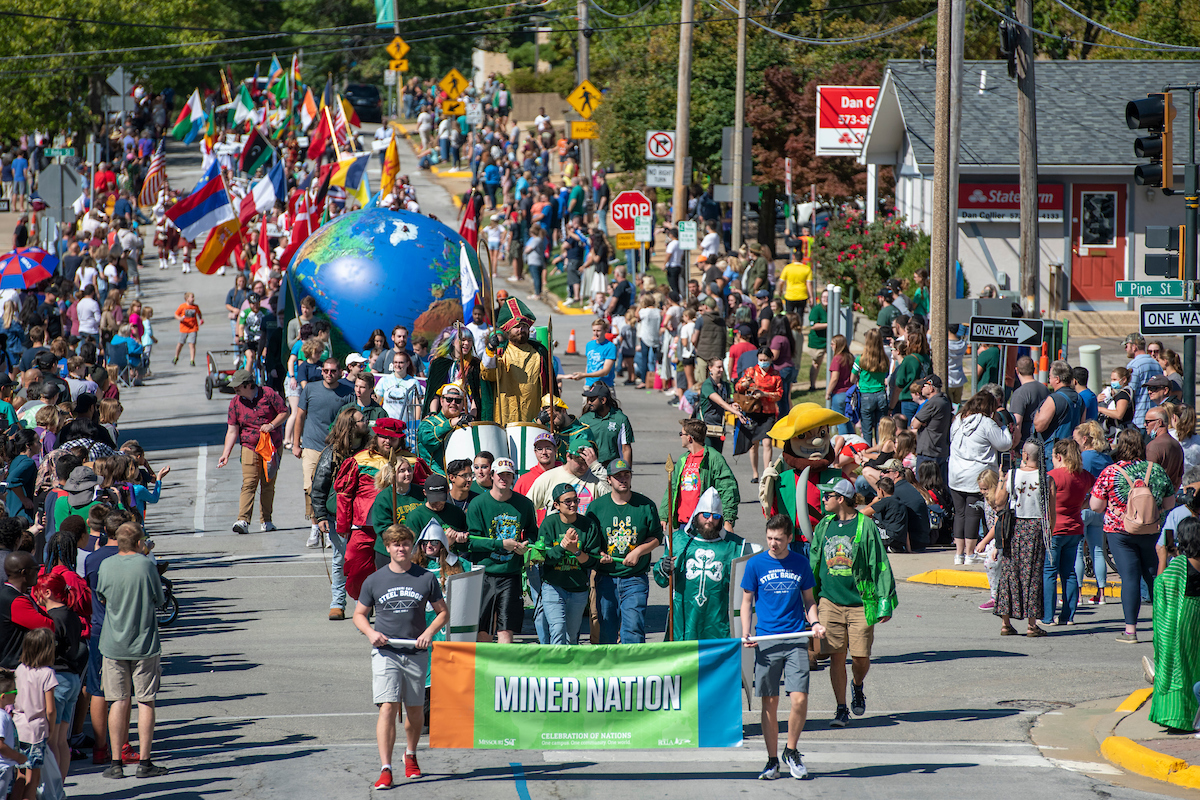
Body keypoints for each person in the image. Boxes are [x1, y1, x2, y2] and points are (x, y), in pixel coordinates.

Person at [353, 524, 448, 791]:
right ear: (388, 548)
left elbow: (443, 612)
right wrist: (371, 633)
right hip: (386, 652)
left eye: (405, 544)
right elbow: (359, 615)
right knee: (388, 707)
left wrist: (429, 632)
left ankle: (411, 753)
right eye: (396, 545)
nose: (401, 549)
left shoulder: (425, 578)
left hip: (415, 652)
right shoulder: (374, 580)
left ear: (412, 546)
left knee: (415, 710)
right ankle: (386, 768)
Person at [740, 514, 824, 781]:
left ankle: (791, 750)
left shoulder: (800, 563)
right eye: (769, 539)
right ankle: (772, 759)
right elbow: (746, 601)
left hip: (797, 638)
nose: (773, 544)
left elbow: (809, 600)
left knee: (799, 699)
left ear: (789, 538)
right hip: (766, 640)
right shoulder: (755, 564)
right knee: (770, 702)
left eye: (778, 539)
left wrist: (816, 623)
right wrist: (746, 631)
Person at [810, 479, 897, 728]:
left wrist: (884, 601)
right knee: (836, 656)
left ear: (841, 499)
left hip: (860, 602)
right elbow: (813, 561)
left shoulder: (865, 525)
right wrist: (809, 598)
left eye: (828, 495)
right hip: (829, 601)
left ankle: (857, 685)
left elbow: (879, 563)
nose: (823, 499)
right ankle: (840, 708)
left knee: (860, 657)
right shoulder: (823, 526)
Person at [96, 523, 168, 778]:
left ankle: (115, 762)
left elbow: (102, 596)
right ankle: (145, 761)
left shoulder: (106, 565)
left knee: (118, 700)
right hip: (144, 641)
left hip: (113, 641)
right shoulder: (146, 565)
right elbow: (159, 599)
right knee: (146, 700)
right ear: (139, 543)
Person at [1090, 428, 1175, 643]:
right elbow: (1169, 504)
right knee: (1155, 577)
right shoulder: (1155, 470)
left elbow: (1096, 506)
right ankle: (1162, 630)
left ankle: (1131, 631)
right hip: (1152, 532)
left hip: (1120, 532)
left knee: (1129, 579)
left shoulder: (1111, 472)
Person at [653, 487, 751, 640]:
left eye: (715, 516)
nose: (710, 520)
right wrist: (663, 568)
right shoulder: (678, 541)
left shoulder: (734, 546)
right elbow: (662, 579)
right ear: (697, 515)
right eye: (706, 515)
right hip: (684, 618)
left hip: (717, 620)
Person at [587, 459, 662, 644]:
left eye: (626, 475)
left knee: (633, 630)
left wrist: (638, 552)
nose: (623, 479)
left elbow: (656, 538)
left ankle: (633, 670)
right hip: (605, 578)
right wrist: (599, 554)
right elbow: (590, 543)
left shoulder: (645, 505)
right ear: (609, 480)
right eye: (618, 476)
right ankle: (609, 671)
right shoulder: (597, 508)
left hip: (635, 578)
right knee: (606, 630)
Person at [464, 458, 537, 643]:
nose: (504, 478)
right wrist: (500, 544)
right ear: (492, 476)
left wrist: (526, 545)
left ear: (513, 477)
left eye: (508, 475)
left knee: (506, 629)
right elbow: (472, 542)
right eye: (500, 474)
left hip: (511, 574)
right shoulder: (478, 504)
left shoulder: (525, 504)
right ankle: (483, 669)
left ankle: (504, 669)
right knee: (484, 631)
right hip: (484, 573)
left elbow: (532, 533)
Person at [311, 407, 369, 620]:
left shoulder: (370, 451)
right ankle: (337, 603)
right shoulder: (332, 453)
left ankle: (363, 605)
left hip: (366, 516)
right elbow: (318, 487)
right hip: (338, 517)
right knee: (340, 559)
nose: (367, 422)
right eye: (362, 420)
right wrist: (321, 516)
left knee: (363, 560)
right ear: (352, 427)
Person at [216, 370, 286, 535]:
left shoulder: (268, 394)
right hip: (249, 446)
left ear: (248, 385)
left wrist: (272, 425)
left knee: (268, 484)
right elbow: (232, 431)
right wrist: (226, 453)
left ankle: (266, 521)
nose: (235, 390)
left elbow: (284, 412)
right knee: (249, 482)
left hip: (271, 445)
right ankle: (243, 520)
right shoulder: (235, 403)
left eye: (238, 387)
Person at [1147, 516, 1200, 732]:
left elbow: (1161, 586)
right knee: (1195, 666)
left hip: (1183, 619)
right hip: (1197, 617)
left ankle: (1176, 716)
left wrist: (1162, 559)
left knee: (1177, 664)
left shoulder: (1179, 564)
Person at [295, 357, 355, 546]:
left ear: (340, 372)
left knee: (332, 488)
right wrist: (296, 443)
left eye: (333, 371)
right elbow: (299, 416)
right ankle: (315, 526)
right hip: (311, 445)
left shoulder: (348, 392)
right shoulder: (310, 389)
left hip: (336, 448)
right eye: (326, 371)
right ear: (321, 372)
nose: (329, 374)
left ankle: (329, 527)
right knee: (310, 487)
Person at [948, 392, 1012, 565]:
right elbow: (1005, 444)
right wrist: (1002, 426)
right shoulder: (987, 423)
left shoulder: (958, 419)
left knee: (959, 514)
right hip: (976, 474)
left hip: (955, 473)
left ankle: (959, 554)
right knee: (972, 513)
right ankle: (970, 554)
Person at [993, 441, 1050, 637]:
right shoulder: (1046, 478)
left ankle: (1005, 623)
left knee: (1010, 572)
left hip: (1015, 526)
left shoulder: (1013, 475)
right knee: (1032, 575)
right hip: (1036, 526)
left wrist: (1002, 479)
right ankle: (1031, 624)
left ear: (1025, 455)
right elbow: (1050, 510)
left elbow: (999, 502)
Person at [536, 485, 604, 645]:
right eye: (568, 501)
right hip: (553, 586)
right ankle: (556, 667)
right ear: (556, 505)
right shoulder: (549, 524)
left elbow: (592, 562)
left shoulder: (588, 526)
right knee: (557, 629)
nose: (573, 504)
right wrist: (561, 547)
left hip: (578, 588)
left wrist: (575, 551)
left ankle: (568, 667)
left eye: (575, 500)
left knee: (572, 636)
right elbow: (543, 559)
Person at [1043, 439, 1094, 626]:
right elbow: (1095, 495)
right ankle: (1068, 616)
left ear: (1058, 456)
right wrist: (1082, 503)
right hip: (1075, 528)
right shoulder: (1084, 476)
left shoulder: (1053, 475)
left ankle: (1048, 616)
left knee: (1049, 572)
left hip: (1054, 528)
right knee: (1069, 572)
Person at [481, 298, 551, 424]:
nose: (521, 330)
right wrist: (490, 350)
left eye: (524, 327)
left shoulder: (539, 353)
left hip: (533, 416)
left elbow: (548, 386)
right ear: (508, 330)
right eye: (517, 327)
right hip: (505, 415)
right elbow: (489, 374)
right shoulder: (502, 352)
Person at [664, 419, 740, 533]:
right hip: (683, 523)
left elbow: (728, 488)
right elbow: (672, 488)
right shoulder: (682, 459)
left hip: (705, 524)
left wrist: (728, 520)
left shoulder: (713, 458)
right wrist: (664, 515)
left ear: (689, 438)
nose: (680, 437)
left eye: (681, 434)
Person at [1073, 421, 1115, 606]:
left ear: (1084, 439)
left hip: (1083, 507)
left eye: (1076, 440)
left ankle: (1078, 594)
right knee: (1098, 551)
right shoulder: (1106, 459)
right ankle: (1102, 594)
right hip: (1101, 508)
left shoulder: (1083, 458)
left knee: (1078, 552)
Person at [736, 347, 784, 483]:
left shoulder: (775, 374)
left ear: (771, 359)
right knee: (753, 444)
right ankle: (755, 473)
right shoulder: (751, 371)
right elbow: (738, 387)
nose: (763, 362)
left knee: (767, 443)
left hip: (768, 412)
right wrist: (745, 384)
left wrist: (764, 394)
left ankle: (766, 472)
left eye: (765, 360)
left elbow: (779, 394)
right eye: (760, 360)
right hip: (752, 410)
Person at [697, 357, 749, 453]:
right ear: (710, 368)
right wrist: (735, 412)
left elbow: (726, 403)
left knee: (717, 456)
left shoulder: (726, 385)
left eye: (722, 367)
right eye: (718, 367)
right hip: (706, 425)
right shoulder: (707, 385)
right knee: (707, 455)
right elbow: (720, 402)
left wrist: (733, 406)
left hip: (719, 426)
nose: (721, 370)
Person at [578, 382, 634, 465]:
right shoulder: (584, 419)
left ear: (603, 400)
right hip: (591, 468)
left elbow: (626, 449)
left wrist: (626, 472)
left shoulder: (621, 419)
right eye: (589, 399)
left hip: (614, 468)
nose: (589, 402)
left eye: (592, 399)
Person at [852, 329, 890, 446]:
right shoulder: (884, 359)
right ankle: (880, 453)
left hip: (866, 395)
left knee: (867, 430)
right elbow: (886, 375)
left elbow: (851, 378)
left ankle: (867, 454)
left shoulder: (861, 359)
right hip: (881, 394)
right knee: (880, 428)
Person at [910, 375, 952, 478]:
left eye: (923, 386)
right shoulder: (945, 400)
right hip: (940, 450)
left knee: (922, 488)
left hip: (928, 452)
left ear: (931, 387)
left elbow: (914, 424)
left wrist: (923, 422)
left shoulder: (933, 403)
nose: (921, 389)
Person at [1123, 332, 1164, 428]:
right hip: (1156, 417)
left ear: (1134, 347)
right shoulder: (1156, 364)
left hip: (1139, 420)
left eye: (1127, 346)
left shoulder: (1133, 365)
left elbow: (1129, 392)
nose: (1125, 349)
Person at [1008, 356, 1050, 450]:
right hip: (1043, 440)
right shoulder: (1045, 389)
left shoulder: (1020, 393)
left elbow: (1017, 422)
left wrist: (1014, 446)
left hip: (1026, 444)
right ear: (1034, 369)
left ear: (1017, 370)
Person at [568, 318, 617, 389]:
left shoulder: (610, 347)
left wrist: (584, 375)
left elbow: (605, 371)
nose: (595, 333)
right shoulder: (589, 345)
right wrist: (586, 381)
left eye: (598, 331)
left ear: (605, 330)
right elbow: (588, 364)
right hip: (589, 384)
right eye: (594, 330)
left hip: (605, 385)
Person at [1146, 404, 1185, 491]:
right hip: (1171, 497)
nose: (1145, 424)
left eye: (1148, 421)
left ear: (1159, 422)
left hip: (1157, 498)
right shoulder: (1176, 445)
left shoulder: (1153, 447)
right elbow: (1180, 476)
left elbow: (1148, 478)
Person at [171, 291, 202, 367]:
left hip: (193, 328)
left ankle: (192, 360)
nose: (193, 299)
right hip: (184, 328)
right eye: (192, 297)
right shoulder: (182, 306)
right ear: (186, 299)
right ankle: (176, 357)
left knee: (192, 344)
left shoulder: (195, 307)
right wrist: (180, 318)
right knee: (180, 343)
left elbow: (199, 313)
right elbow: (176, 314)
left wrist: (201, 319)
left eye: (193, 297)